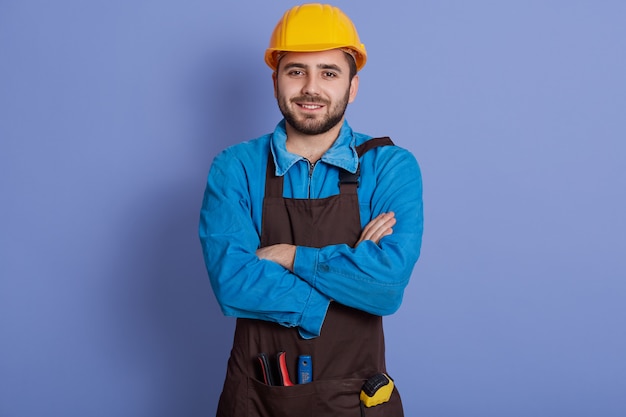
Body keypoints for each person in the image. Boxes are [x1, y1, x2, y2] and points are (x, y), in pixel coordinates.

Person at [199, 3, 423, 416]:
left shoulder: (390, 166)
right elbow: (232, 282)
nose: (311, 88)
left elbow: (388, 287)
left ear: (352, 87)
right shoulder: (235, 167)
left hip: (358, 400)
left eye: (329, 72)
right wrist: (338, 292)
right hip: (257, 398)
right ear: (275, 81)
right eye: (296, 70)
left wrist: (288, 256)